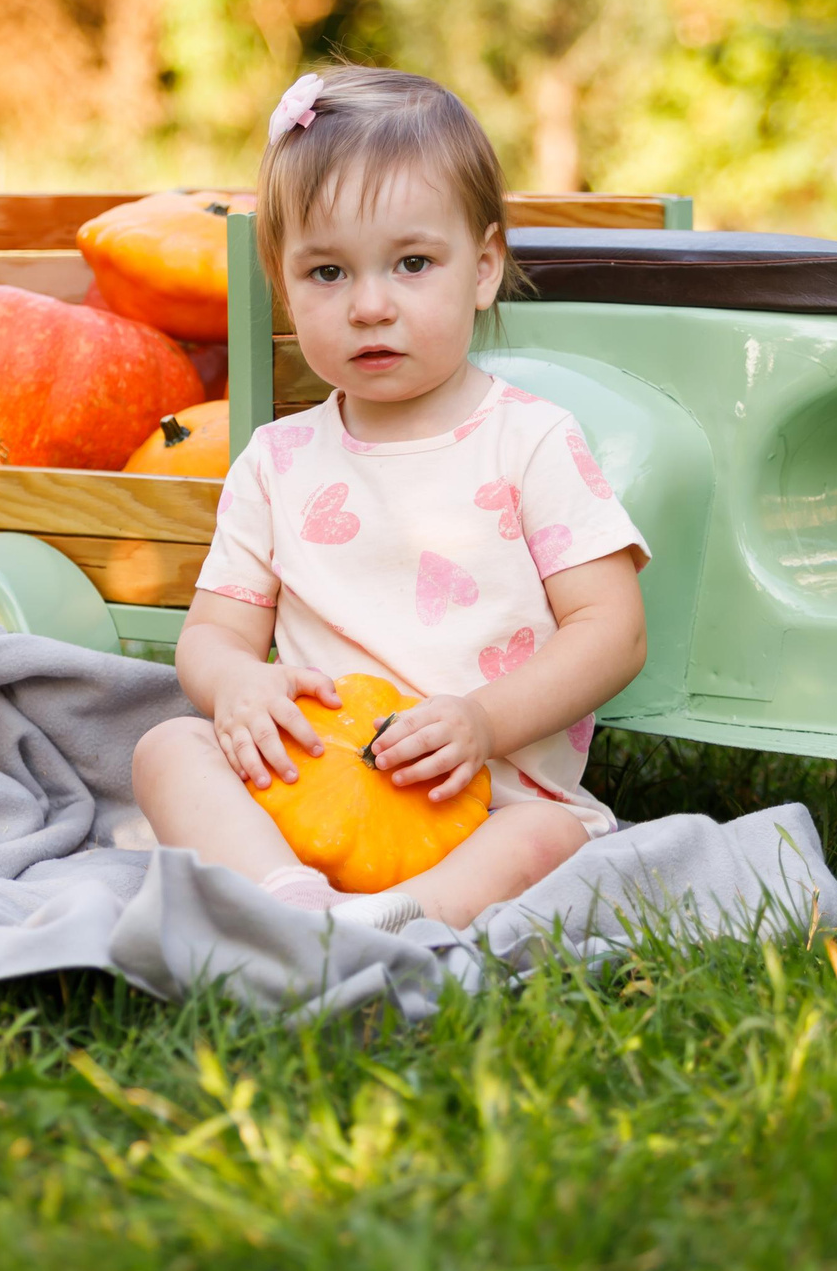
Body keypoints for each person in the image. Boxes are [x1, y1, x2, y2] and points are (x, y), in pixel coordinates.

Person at [129, 66, 650, 932]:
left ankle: (402, 921)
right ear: (282, 280)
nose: (370, 305)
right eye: (328, 272)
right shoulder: (275, 461)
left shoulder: (529, 441)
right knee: (166, 748)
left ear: (482, 268)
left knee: (551, 837)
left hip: (486, 799)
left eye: (413, 263)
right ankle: (285, 896)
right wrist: (237, 687)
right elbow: (213, 634)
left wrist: (483, 722)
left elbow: (615, 630)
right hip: (308, 789)